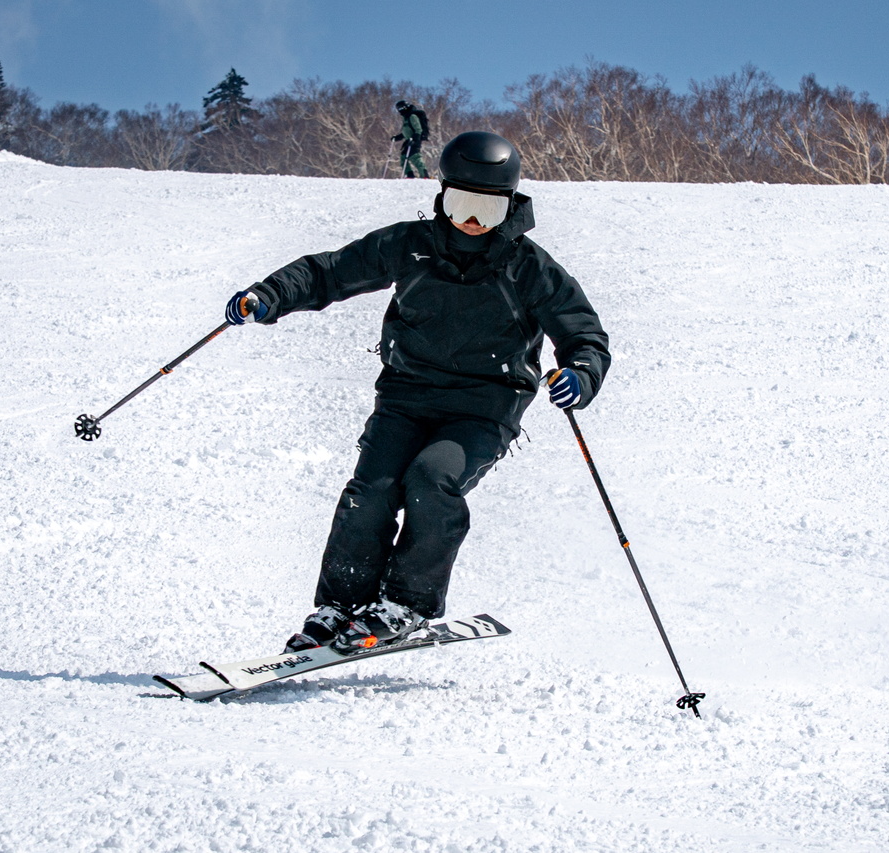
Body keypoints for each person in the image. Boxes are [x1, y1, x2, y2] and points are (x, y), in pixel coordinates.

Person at [224, 131, 611, 654]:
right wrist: (269, 294)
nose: (472, 220)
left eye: (488, 209)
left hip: (482, 409)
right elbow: (331, 272)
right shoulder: (411, 245)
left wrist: (580, 374)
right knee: (371, 492)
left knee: (431, 480)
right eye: (461, 203)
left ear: (510, 206)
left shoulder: (528, 268)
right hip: (406, 398)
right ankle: (340, 605)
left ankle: (406, 602)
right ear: (442, 195)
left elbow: (582, 333)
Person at [392, 99, 430, 178]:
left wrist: (415, 139)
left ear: (404, 107)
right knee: (403, 157)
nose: (399, 111)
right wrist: (397, 138)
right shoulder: (406, 117)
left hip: (414, 140)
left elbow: (418, 129)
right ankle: (409, 175)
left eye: (400, 108)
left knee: (415, 157)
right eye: (398, 109)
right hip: (408, 141)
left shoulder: (412, 116)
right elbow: (406, 132)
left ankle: (424, 176)